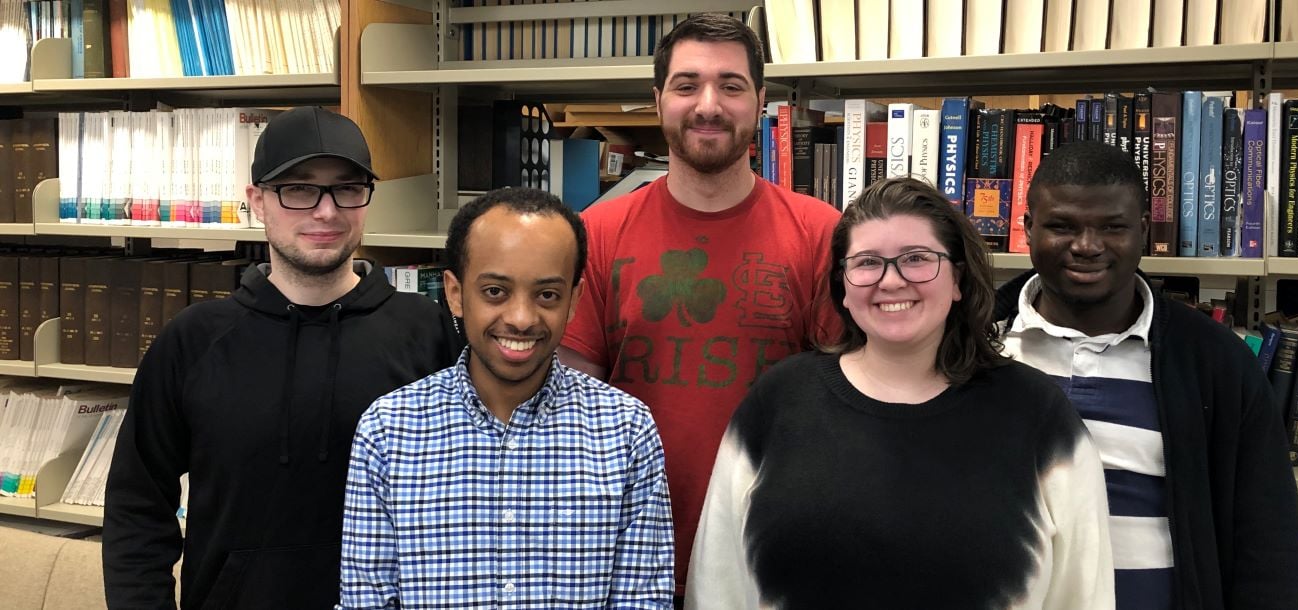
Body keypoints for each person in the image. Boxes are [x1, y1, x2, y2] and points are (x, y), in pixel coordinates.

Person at [688, 177, 1115, 609]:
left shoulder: (1039, 416)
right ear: (844, 287)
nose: (890, 282)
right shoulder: (777, 403)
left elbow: (1083, 595)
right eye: (867, 262)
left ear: (957, 280)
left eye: (916, 258)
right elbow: (717, 584)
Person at [103, 106, 465, 609]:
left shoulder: (428, 332)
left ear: (366, 200)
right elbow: (137, 505)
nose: (325, 211)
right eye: (298, 188)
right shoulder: (192, 342)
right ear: (257, 201)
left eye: (347, 187)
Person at [558, 13, 841, 599]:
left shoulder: (823, 235)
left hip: (772, 559)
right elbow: (568, 414)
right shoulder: (595, 234)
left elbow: (851, 406)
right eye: (687, 85)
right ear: (658, 99)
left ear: (761, 102)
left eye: (731, 86)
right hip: (626, 557)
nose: (708, 105)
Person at [997, 141, 1298, 609]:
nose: (1086, 246)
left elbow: (1269, 542)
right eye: (1062, 226)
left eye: (1113, 227)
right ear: (1026, 228)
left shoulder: (1215, 362)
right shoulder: (977, 345)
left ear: (1142, 231)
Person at [337, 187, 674, 608]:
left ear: (574, 302)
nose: (520, 318)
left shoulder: (626, 431)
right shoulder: (388, 432)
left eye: (547, 295)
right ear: (455, 294)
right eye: (495, 291)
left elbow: (641, 601)